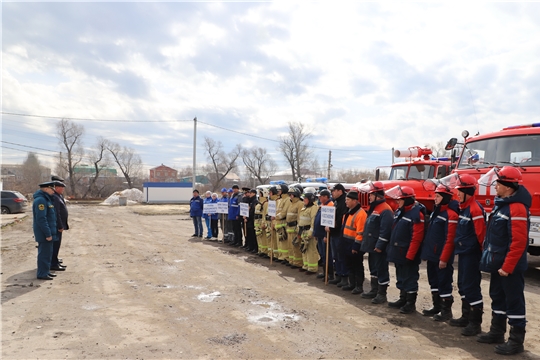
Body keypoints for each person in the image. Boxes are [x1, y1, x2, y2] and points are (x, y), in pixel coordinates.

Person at [477, 167, 531, 355]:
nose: (496, 186)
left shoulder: (516, 208)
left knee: (514, 301)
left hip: (509, 268)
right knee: (497, 297)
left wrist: (508, 267)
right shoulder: (503, 204)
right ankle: (497, 332)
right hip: (498, 265)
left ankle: (516, 341)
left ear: (508, 187)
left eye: (499, 183)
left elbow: (519, 241)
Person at [449, 174, 486, 336]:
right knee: (463, 285)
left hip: (471, 255)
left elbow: (481, 235)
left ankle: (475, 322)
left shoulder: (475, 209)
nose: (457, 194)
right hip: (464, 253)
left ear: (467, 192)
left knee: (471, 287)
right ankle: (465, 316)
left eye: (459, 191)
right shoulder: (464, 208)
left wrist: (482, 255)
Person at [420, 184, 459, 321]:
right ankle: (437, 306)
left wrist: (444, 258)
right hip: (433, 256)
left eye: (438, 196)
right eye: (435, 195)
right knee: (434, 282)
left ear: (445, 198)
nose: (435, 198)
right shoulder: (437, 212)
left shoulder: (451, 215)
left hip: (441, 257)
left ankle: (446, 311)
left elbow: (450, 239)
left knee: (444, 283)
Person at [386, 186, 425, 314]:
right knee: (401, 277)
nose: (398, 202)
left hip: (408, 254)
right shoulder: (401, 211)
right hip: (399, 252)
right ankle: (403, 298)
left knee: (410, 278)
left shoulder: (416, 214)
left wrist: (410, 256)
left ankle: (410, 303)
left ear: (407, 200)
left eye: (401, 200)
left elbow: (416, 238)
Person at [358, 181, 393, 304]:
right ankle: (374, 290)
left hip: (379, 248)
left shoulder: (385, 210)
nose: (369, 197)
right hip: (371, 246)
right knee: (373, 268)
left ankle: (382, 294)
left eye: (371, 194)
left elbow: (385, 231)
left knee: (381, 269)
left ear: (378, 195)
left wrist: (379, 246)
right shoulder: (374, 209)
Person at [341, 191, 368, 294]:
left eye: (348, 200)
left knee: (357, 266)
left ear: (354, 201)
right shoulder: (349, 212)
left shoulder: (361, 214)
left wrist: (356, 246)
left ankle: (359, 286)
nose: (346, 202)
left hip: (354, 245)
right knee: (349, 265)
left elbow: (360, 232)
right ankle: (352, 284)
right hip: (347, 243)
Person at [33, 181, 58, 280]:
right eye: (52, 189)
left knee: (48, 253)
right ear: (47, 189)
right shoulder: (41, 200)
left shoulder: (46, 199)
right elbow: (41, 219)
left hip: (48, 232)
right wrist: (47, 233)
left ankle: (46, 271)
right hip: (43, 233)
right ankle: (42, 273)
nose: (54, 191)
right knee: (44, 254)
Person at [327, 184, 348, 286]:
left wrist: (332, 225)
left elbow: (341, 219)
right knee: (335, 255)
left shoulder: (344, 202)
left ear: (340, 191)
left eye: (334, 191)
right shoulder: (336, 202)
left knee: (340, 256)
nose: (332, 193)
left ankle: (344, 276)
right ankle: (338, 275)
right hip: (333, 233)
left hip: (339, 233)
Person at [297, 192, 319, 274]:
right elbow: (300, 219)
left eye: (305, 199)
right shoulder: (304, 207)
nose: (304, 200)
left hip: (308, 231)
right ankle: (306, 266)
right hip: (303, 231)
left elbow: (313, 220)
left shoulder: (314, 207)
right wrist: (298, 228)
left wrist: (311, 231)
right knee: (304, 249)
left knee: (311, 250)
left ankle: (312, 268)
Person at [314, 189, 334, 280]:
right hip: (320, 235)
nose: (319, 198)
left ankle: (329, 274)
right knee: (322, 254)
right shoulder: (322, 205)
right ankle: (324, 272)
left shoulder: (330, 206)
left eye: (321, 196)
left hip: (324, 235)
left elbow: (329, 223)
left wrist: (326, 235)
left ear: (326, 197)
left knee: (327, 255)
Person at [51, 180, 69, 271]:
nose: (63, 190)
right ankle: (53, 263)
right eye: (61, 188)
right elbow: (56, 213)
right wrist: (60, 225)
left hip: (59, 225)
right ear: (57, 188)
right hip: (57, 226)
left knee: (57, 245)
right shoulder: (55, 197)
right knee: (55, 245)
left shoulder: (58, 196)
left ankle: (55, 260)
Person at [286, 186, 304, 268]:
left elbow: (300, 217)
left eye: (291, 194)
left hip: (294, 228)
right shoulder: (291, 203)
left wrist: (298, 229)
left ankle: (298, 262)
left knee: (296, 246)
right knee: (290, 246)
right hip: (289, 228)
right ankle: (292, 261)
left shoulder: (300, 203)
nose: (290, 196)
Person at [274, 185, 290, 264]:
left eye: (279, 190)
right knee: (279, 242)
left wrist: (276, 217)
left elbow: (284, 212)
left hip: (283, 223)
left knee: (284, 242)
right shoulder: (280, 200)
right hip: (278, 223)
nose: (278, 192)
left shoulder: (287, 200)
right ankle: (281, 256)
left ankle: (286, 257)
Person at [255, 188, 269, 256]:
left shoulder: (265, 203)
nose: (259, 195)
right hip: (257, 222)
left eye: (260, 193)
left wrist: (264, 223)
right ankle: (260, 250)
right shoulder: (259, 203)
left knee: (263, 238)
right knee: (259, 237)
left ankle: (265, 251)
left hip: (261, 222)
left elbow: (265, 214)